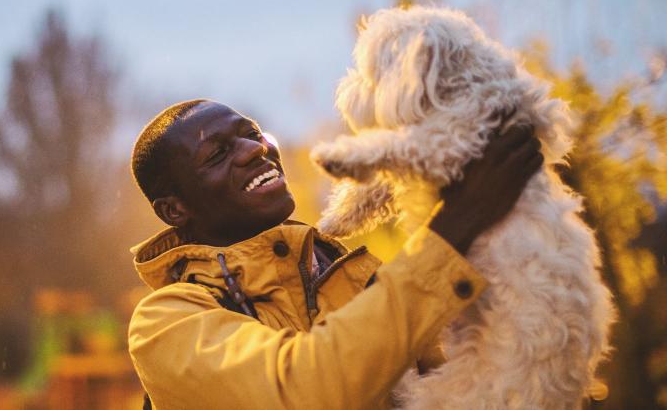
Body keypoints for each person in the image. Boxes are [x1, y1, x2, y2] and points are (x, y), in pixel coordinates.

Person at [127, 99, 543, 409]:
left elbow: (448, 383)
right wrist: (455, 226)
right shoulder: (165, 321)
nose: (256, 150)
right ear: (174, 209)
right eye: (217, 154)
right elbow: (305, 391)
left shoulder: (346, 270)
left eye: (251, 133)